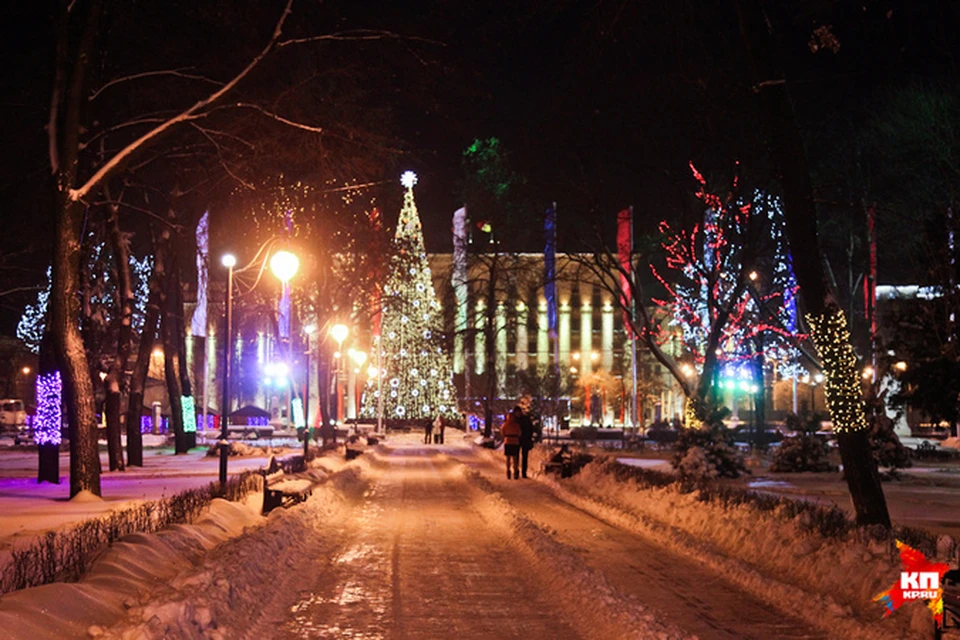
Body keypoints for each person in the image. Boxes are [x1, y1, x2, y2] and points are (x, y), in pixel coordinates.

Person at [501, 407, 522, 479]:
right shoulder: (516, 425)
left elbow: (502, 433)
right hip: (515, 441)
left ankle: (508, 471)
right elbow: (519, 433)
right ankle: (515, 471)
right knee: (515, 457)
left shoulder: (505, 425)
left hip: (507, 441)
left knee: (508, 458)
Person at [518, 407, 535, 479]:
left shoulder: (518, 419)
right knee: (522, 457)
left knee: (522, 457)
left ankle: (522, 472)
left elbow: (531, 429)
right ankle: (521, 472)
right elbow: (531, 429)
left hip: (521, 439)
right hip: (523, 439)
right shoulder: (526, 419)